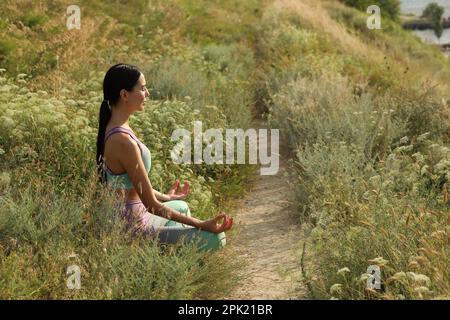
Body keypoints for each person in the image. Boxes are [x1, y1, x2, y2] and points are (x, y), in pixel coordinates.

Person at [95, 63, 232, 251]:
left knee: (180, 206)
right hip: (132, 228)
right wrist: (202, 224)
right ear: (124, 94)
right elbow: (152, 205)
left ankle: (169, 252)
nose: (147, 93)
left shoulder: (118, 127)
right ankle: (161, 257)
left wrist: (166, 196)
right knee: (217, 239)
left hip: (139, 214)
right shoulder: (122, 141)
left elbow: (135, 188)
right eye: (142, 88)